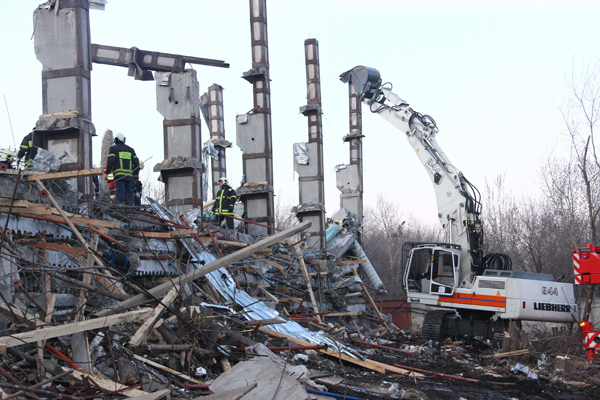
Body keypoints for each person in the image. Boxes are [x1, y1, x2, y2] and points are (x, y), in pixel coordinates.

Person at [105, 133, 139, 206]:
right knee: (129, 190)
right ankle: (132, 203)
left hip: (119, 175)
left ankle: (120, 203)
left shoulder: (113, 149)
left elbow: (111, 160)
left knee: (119, 190)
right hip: (129, 175)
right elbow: (136, 163)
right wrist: (136, 174)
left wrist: (107, 171)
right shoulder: (130, 150)